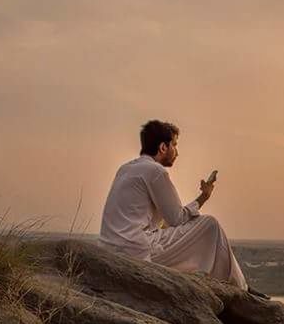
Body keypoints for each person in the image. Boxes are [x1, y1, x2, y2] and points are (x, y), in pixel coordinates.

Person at [99, 119, 266, 297]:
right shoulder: (156, 171)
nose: (177, 152)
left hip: (111, 248)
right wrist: (204, 196)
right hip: (138, 252)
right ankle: (241, 289)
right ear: (163, 147)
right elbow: (177, 218)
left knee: (178, 227)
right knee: (210, 225)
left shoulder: (125, 168)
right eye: (175, 145)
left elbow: (164, 220)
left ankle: (236, 285)